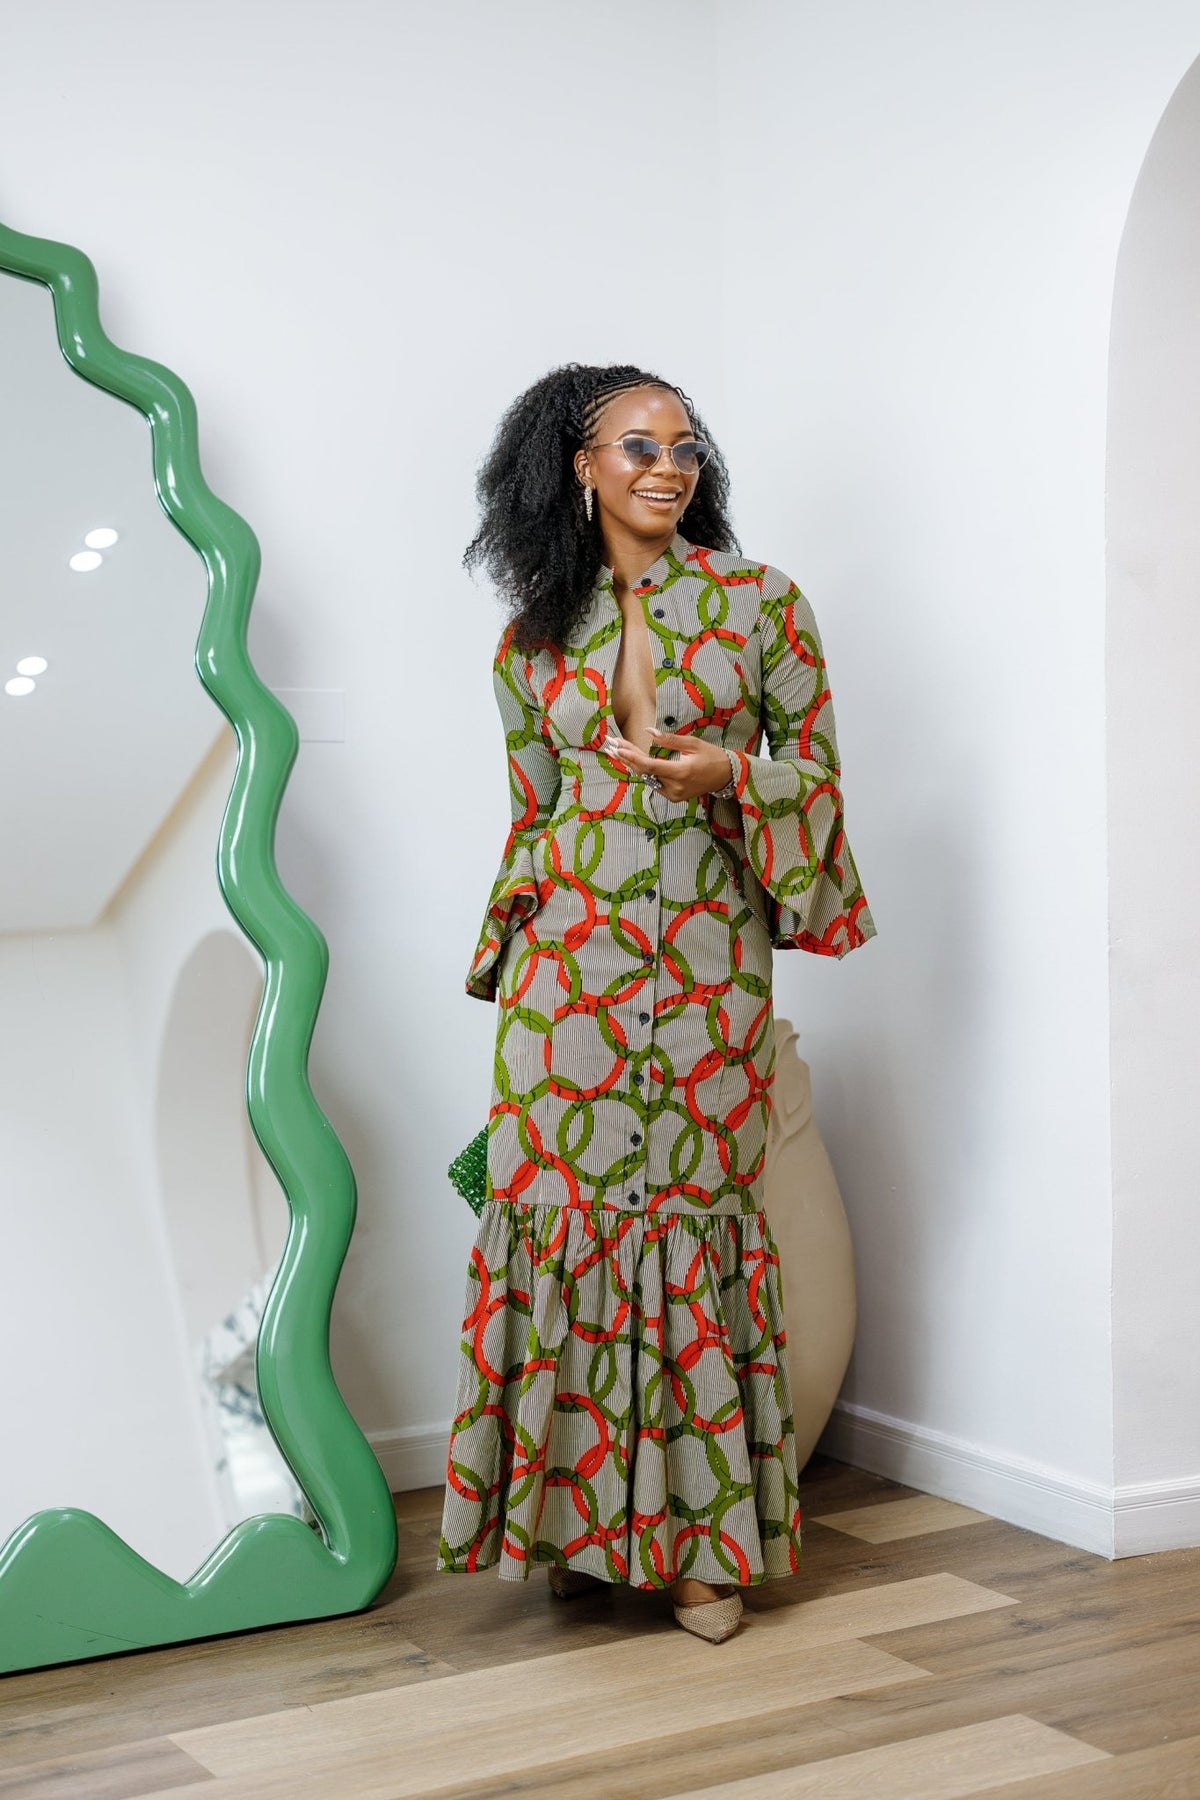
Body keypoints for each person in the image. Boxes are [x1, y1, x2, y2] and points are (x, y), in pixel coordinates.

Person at [436, 362, 876, 1643]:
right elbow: (532, 816)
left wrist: (731, 773)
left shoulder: (762, 605)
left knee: (694, 1222)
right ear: (578, 466)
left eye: (684, 446)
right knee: (563, 1230)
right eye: (637, 446)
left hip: (704, 953)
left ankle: (696, 1553)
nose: (668, 467)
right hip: (565, 971)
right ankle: (578, 1532)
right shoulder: (529, 641)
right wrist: (513, 956)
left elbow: (818, 781)